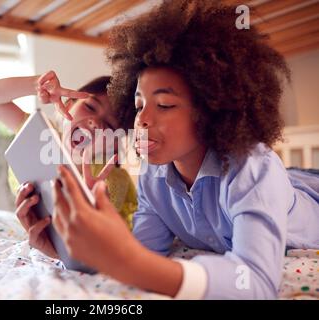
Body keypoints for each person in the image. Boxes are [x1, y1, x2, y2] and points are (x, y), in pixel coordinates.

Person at [44, 0, 319, 299]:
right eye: (139, 105)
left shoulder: (252, 169)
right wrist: (71, 246)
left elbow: (255, 283)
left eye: (164, 105)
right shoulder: (153, 176)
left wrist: (130, 260)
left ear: (212, 111)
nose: (143, 120)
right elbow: (143, 255)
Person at [0, 71, 137, 258]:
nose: (94, 123)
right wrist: (37, 84)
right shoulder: (37, 133)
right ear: (69, 104)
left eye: (109, 126)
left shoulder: (110, 180)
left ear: (114, 142)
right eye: (90, 107)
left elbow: (104, 245)